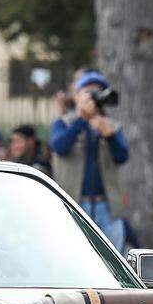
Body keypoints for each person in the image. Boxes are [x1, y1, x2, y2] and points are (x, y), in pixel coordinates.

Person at [50, 71, 131, 250]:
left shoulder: (111, 125)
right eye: (89, 91)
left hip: (107, 206)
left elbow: (122, 157)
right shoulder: (63, 123)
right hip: (74, 203)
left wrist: (109, 136)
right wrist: (81, 121)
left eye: (98, 91)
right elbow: (59, 147)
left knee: (112, 260)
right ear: (77, 96)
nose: (94, 96)